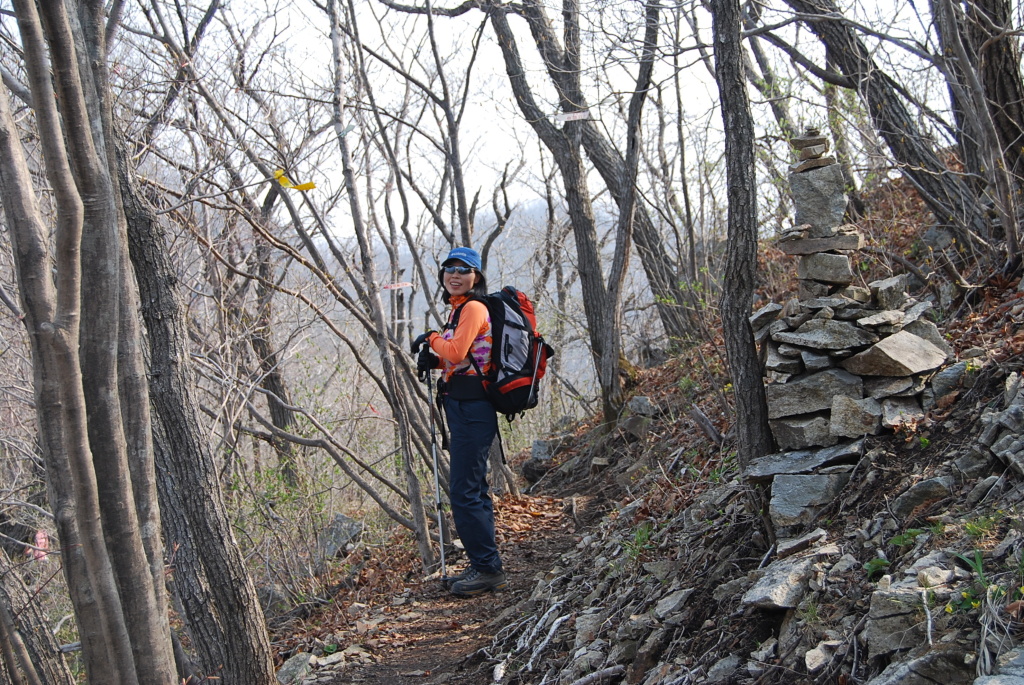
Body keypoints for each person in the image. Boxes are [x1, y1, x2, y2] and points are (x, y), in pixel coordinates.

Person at [411, 246, 507, 597]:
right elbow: (462, 360)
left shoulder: (473, 308)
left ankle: (487, 568)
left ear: (476, 277)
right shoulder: (459, 311)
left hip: (472, 408)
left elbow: (455, 351)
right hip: (464, 403)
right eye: (449, 268)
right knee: (474, 489)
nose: (455, 274)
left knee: (463, 492)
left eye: (463, 269)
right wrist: (434, 363)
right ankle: (485, 563)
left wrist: (430, 338)